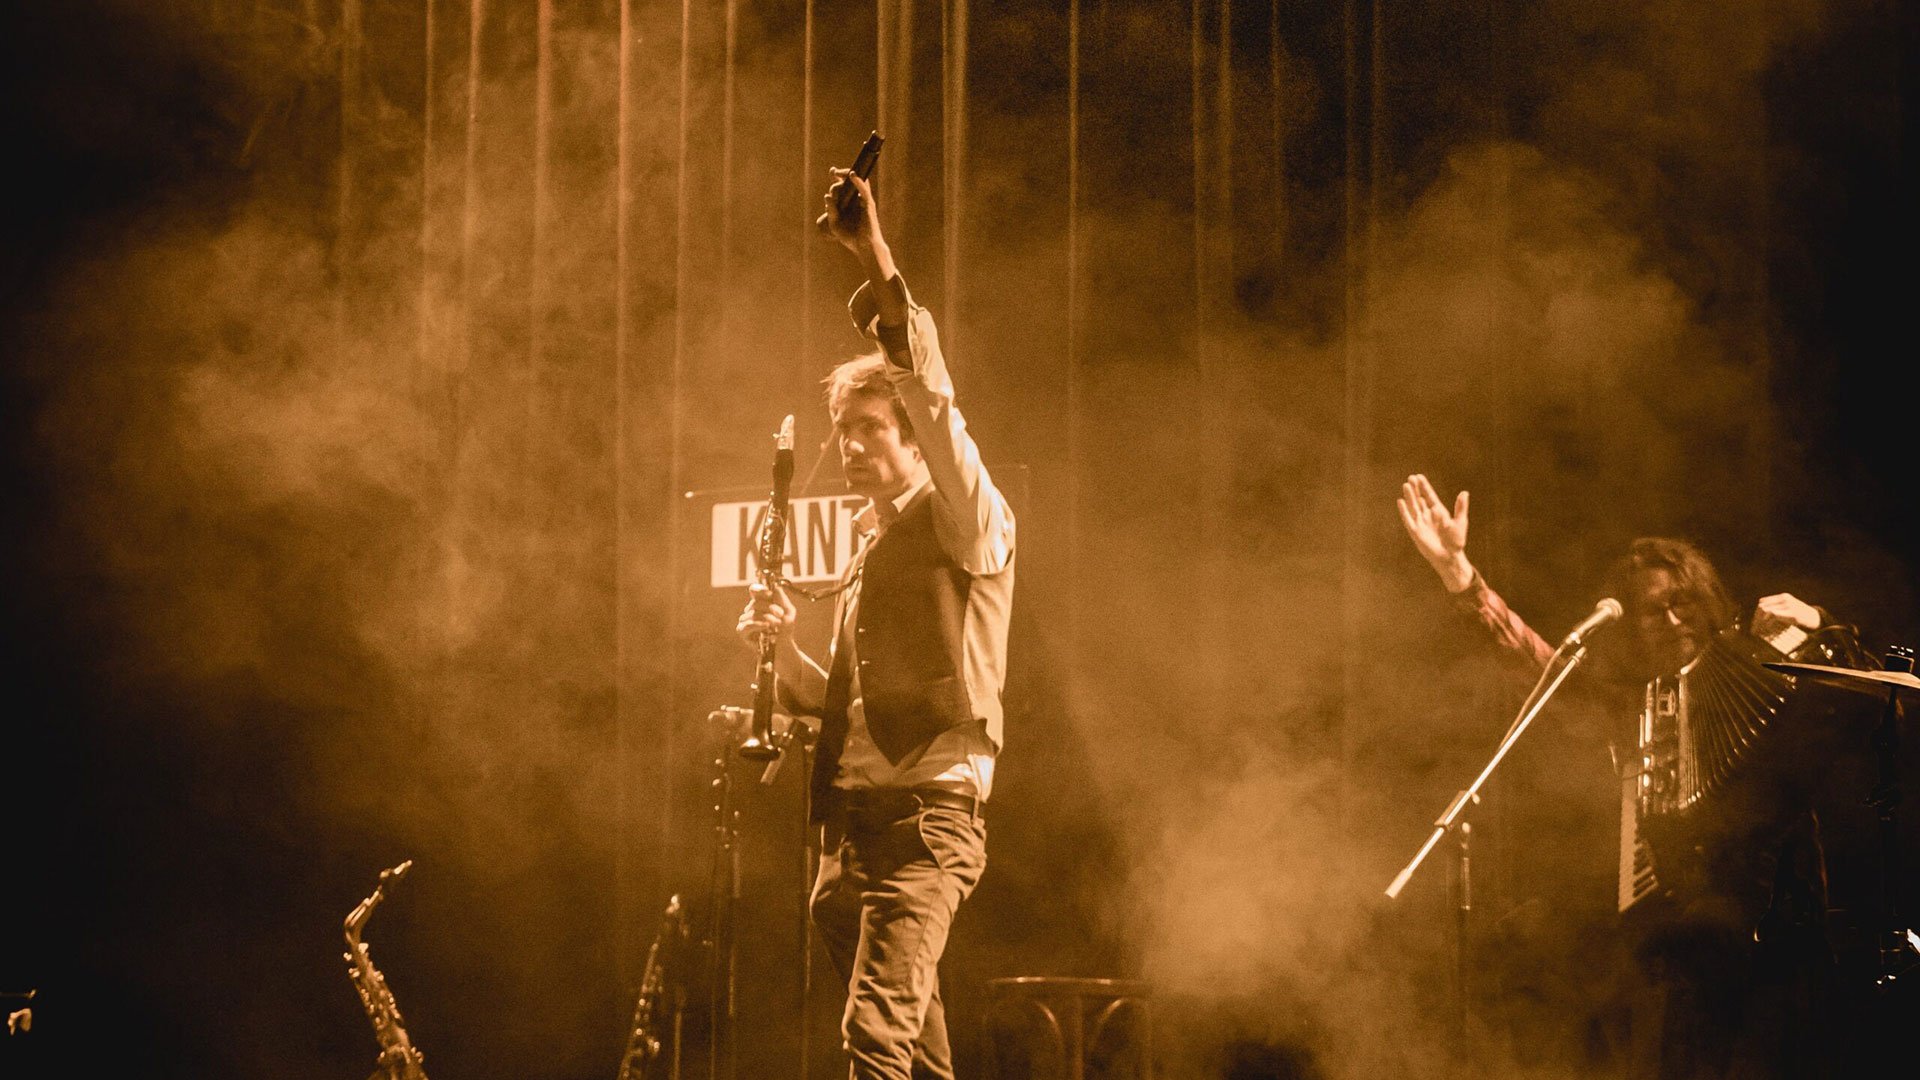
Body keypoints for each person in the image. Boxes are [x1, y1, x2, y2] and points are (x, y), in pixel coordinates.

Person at [1395, 473, 1871, 1079]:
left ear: (1708, 599)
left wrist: (1820, 625)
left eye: (1684, 602)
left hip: (1781, 944)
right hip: (1678, 949)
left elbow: (1871, 701)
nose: (1673, 620)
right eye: (1652, 611)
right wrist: (1459, 575)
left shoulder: (1765, 658)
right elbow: (1534, 662)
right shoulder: (1628, 702)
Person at [735, 166, 1014, 1080]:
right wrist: (779, 661)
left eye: (869, 428)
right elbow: (847, 707)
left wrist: (874, 254)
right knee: (914, 1057)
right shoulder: (870, 547)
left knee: (874, 1043)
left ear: (908, 437)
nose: (850, 446)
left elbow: (937, 404)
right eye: (841, 430)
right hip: (851, 835)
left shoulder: (965, 519)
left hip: (926, 825)